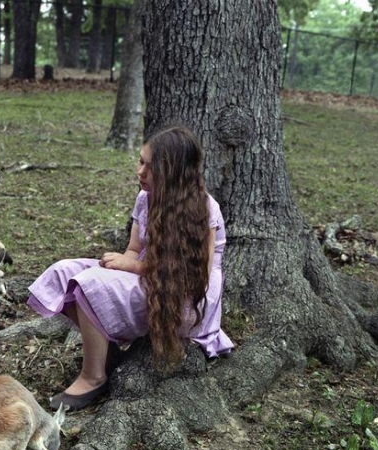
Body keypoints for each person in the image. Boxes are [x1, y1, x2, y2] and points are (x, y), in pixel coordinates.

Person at [27, 125, 234, 411]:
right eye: (141, 161)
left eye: (151, 168)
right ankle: (106, 353)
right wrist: (119, 268)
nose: (140, 172)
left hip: (184, 300)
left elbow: (192, 275)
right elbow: (134, 250)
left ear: (173, 173)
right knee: (65, 273)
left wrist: (132, 268)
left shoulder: (204, 209)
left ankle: (93, 376)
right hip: (151, 279)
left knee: (91, 285)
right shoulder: (144, 199)